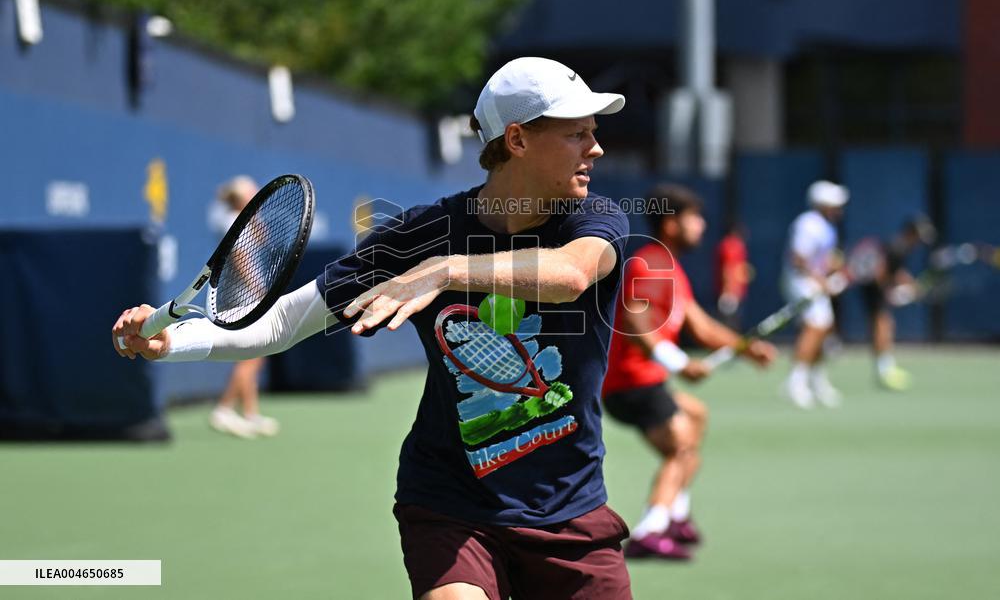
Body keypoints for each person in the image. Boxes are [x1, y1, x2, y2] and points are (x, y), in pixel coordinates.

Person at [113, 57, 639, 599]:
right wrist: (173, 341)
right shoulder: (422, 232)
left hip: (569, 509)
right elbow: (284, 322)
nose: (594, 149)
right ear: (518, 139)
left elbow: (572, 274)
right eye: (577, 134)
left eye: (593, 133)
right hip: (453, 508)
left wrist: (446, 271)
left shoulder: (594, 218)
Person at [602, 185, 776, 561]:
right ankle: (650, 531)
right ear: (670, 224)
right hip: (630, 384)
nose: (702, 226)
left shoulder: (672, 268)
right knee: (680, 449)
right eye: (694, 218)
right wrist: (679, 363)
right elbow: (635, 318)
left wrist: (746, 350)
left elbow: (701, 327)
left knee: (695, 415)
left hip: (646, 382)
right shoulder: (649, 262)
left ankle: (676, 516)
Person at [207, 176, 280, 438]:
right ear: (240, 198)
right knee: (252, 354)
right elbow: (240, 259)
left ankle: (250, 413)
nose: (255, 194)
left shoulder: (244, 219)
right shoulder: (231, 221)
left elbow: (262, 240)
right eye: (251, 192)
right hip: (241, 295)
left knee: (255, 350)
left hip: (243, 293)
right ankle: (224, 409)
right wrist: (260, 290)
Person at [780, 180, 849, 409]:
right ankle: (795, 383)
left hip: (812, 281)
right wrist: (821, 281)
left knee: (823, 328)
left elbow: (822, 259)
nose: (839, 209)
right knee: (815, 327)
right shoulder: (809, 224)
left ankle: (817, 381)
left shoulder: (826, 226)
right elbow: (798, 259)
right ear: (822, 204)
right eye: (834, 204)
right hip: (801, 282)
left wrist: (834, 270)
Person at [858, 214, 937, 392]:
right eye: (919, 235)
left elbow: (896, 272)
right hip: (872, 288)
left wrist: (911, 286)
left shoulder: (901, 247)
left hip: (876, 287)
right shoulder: (897, 247)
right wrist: (889, 291)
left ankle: (885, 367)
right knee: (882, 324)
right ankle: (884, 370)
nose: (920, 241)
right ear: (911, 232)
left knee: (887, 324)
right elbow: (880, 272)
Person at [715, 220, 751, 329]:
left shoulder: (736, 245)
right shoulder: (731, 245)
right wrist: (728, 289)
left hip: (735, 290)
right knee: (729, 323)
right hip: (730, 290)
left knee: (734, 321)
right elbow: (727, 268)